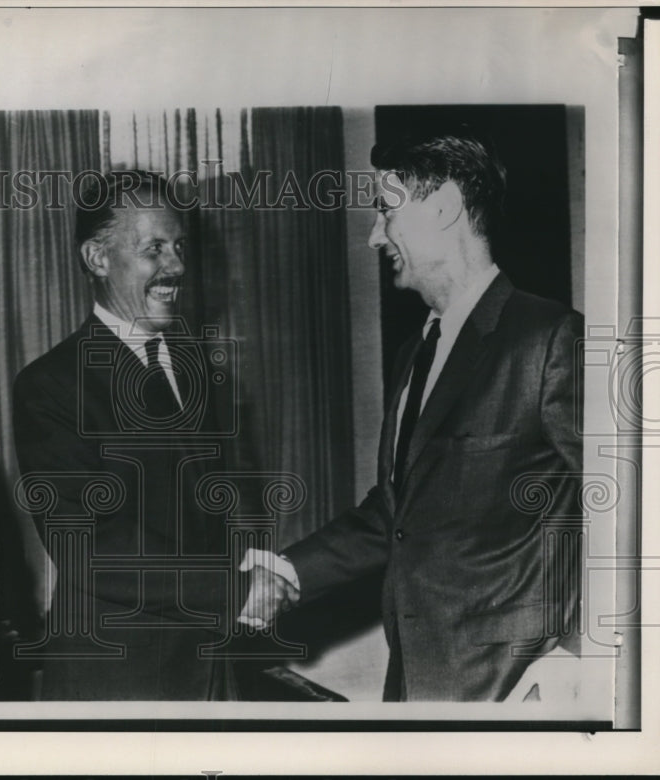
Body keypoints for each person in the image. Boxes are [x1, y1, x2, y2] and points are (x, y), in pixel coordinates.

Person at [240, 131, 584, 702]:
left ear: (445, 207)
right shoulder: (416, 351)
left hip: (513, 694)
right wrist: (289, 571)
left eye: (384, 210)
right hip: (415, 688)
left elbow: (628, 510)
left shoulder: (549, 339)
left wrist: (576, 657)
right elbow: (397, 514)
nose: (376, 235)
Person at [13, 171, 248, 700]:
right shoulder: (51, 385)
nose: (177, 267)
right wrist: (235, 590)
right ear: (97, 258)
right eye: (154, 249)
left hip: (209, 667)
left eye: (179, 246)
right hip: (117, 677)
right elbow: (88, 544)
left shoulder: (195, 369)